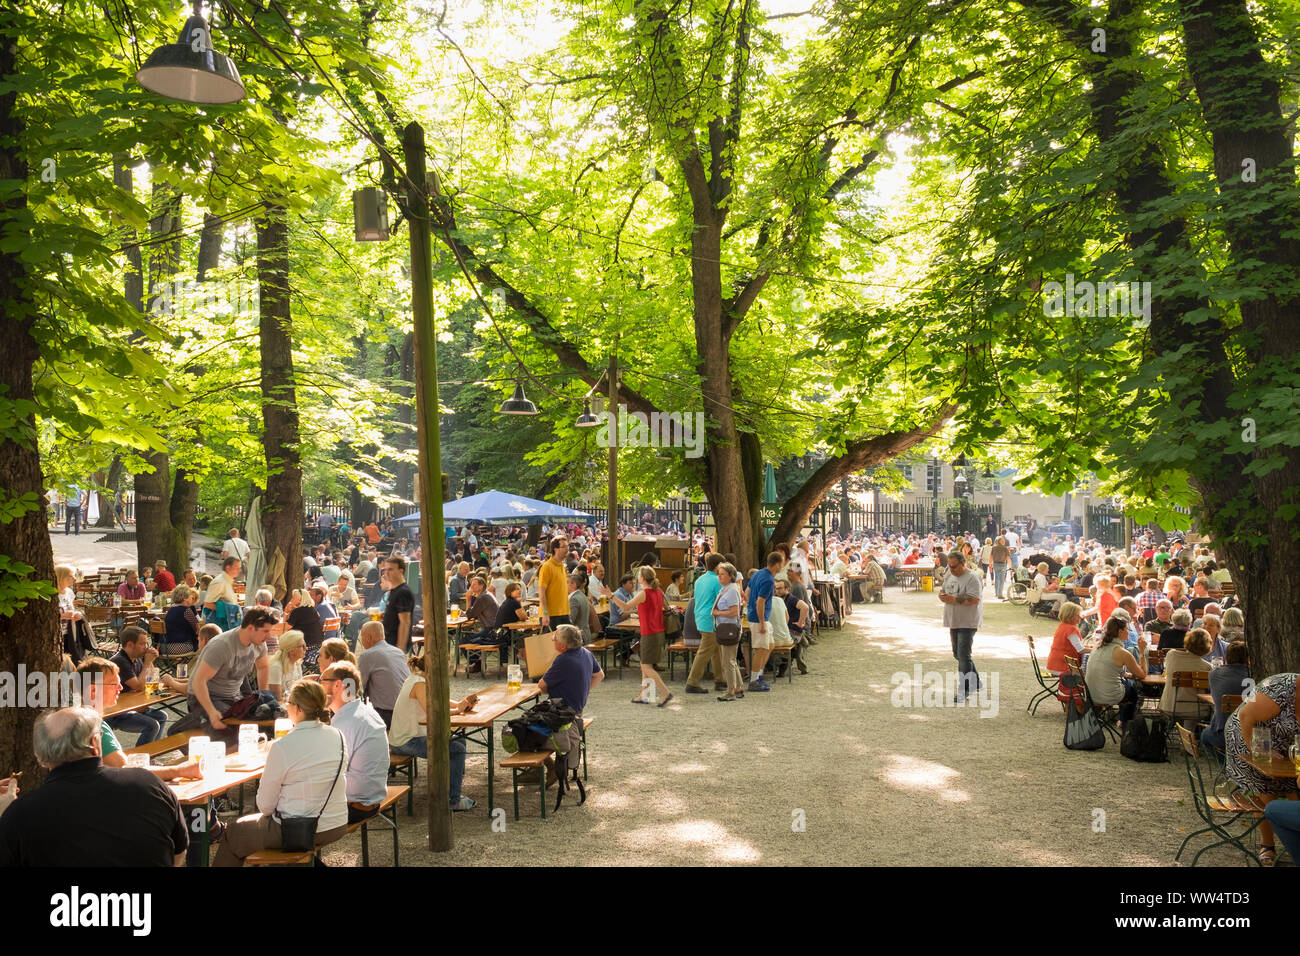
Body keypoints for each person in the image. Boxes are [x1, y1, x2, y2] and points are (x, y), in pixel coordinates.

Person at [0, 707, 188, 866]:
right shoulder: (150, 784)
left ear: (40, 757)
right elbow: (179, 853)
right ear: (94, 744)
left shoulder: (20, 814)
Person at [213, 682, 348, 866]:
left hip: (300, 829)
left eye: (289, 702)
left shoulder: (282, 746)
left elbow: (265, 807)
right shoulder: (338, 735)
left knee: (235, 831)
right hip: (336, 823)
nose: (286, 706)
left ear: (298, 709)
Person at [1225, 672, 1300, 865]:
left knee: (1293, 784)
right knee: (1266, 785)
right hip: (1247, 735)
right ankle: (1267, 845)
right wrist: (1259, 750)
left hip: (1286, 744)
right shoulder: (1281, 691)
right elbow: (1245, 716)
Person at [387, 655, 477, 812]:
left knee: (459, 742)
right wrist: (457, 711)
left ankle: (447, 790)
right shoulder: (420, 684)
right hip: (405, 742)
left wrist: (462, 704)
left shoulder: (419, 678)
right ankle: (452, 800)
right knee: (457, 749)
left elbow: (440, 700)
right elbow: (433, 712)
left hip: (408, 737)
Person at [187, 607, 279, 733]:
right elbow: (198, 681)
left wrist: (263, 696)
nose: (269, 636)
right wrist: (211, 711)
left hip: (233, 697)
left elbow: (263, 667)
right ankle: (185, 727)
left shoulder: (259, 643)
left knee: (267, 720)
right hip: (205, 697)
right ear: (251, 628)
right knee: (233, 729)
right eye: (265, 631)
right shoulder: (222, 646)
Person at [320, 661, 390, 824]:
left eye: (322, 681)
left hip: (356, 805)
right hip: (371, 796)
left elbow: (331, 771)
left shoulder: (346, 722)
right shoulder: (362, 711)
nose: (318, 687)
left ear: (338, 685)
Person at [613, 565, 672, 707]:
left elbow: (625, 607)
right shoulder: (657, 591)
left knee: (647, 667)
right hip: (657, 631)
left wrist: (611, 596)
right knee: (644, 664)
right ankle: (646, 695)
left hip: (649, 633)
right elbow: (666, 607)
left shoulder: (644, 592)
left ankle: (665, 693)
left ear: (642, 578)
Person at [1083, 616, 1149, 728]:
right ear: (1120, 632)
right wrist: (1142, 652)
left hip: (1090, 695)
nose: (1130, 632)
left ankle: (1122, 719)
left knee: (1127, 684)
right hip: (1109, 695)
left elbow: (1110, 669)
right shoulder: (1122, 652)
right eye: (1128, 629)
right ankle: (1126, 722)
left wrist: (1126, 675)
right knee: (1133, 687)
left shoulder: (1097, 646)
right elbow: (1142, 674)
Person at [105, 626, 167, 744]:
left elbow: (152, 679)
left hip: (132, 706)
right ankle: (142, 757)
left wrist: (151, 661)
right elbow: (138, 686)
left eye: (146, 643)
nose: (146, 647)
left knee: (161, 716)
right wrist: (147, 662)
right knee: (152, 725)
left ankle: (150, 753)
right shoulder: (119, 661)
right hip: (116, 712)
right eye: (142, 644)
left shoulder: (136, 658)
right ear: (130, 645)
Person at [939, 550, 984, 701]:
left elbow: (974, 599)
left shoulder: (972, 578)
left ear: (963, 563)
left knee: (963, 655)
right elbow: (943, 589)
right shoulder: (950, 575)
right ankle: (976, 681)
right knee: (958, 654)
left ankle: (965, 689)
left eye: (954, 566)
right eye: (949, 566)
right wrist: (942, 596)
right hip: (953, 620)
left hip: (968, 621)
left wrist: (954, 599)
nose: (951, 570)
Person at [1200, 640, 1251, 759]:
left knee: (1205, 736)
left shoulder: (1214, 674)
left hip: (1223, 732)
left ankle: (1227, 763)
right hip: (1250, 733)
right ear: (1248, 658)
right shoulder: (1252, 676)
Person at [744, 551, 785, 692]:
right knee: (760, 649)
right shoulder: (768, 580)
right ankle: (754, 680)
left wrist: (749, 607)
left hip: (755, 615)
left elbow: (747, 592)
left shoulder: (758, 573)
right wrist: (761, 622)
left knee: (770, 645)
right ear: (778, 564)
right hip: (759, 618)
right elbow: (760, 602)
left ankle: (758, 674)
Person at [685, 553, 726, 694]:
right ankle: (692, 682)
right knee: (705, 651)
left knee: (716, 650)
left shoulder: (699, 580)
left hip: (701, 617)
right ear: (718, 566)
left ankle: (720, 680)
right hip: (711, 620)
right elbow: (722, 601)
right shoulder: (717, 581)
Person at [357, 620, 409, 728]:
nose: (361, 640)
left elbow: (359, 687)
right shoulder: (398, 651)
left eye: (362, 636)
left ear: (369, 637)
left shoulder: (367, 655)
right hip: (408, 708)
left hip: (388, 713)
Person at [712, 563, 746, 702]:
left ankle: (731, 690)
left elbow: (734, 612)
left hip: (729, 629)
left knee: (728, 661)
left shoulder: (731, 590)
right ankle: (737, 687)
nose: (719, 576)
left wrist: (717, 612)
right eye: (719, 574)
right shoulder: (728, 588)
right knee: (731, 660)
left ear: (730, 576)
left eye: (722, 574)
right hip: (727, 628)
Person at [55, 565, 95, 664]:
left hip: (72, 634)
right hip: (57, 636)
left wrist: (78, 614)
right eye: (70, 576)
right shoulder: (52, 593)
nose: (74, 579)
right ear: (61, 576)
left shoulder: (69, 592)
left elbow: (72, 609)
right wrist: (61, 617)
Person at [382, 554, 415, 650]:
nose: (386, 573)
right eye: (385, 569)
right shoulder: (394, 590)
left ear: (401, 571)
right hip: (388, 643)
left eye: (391, 569)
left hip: (395, 645)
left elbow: (405, 622)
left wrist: (400, 649)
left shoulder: (403, 592)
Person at [537, 537, 571, 630]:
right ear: (556, 549)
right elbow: (541, 591)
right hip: (551, 615)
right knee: (551, 644)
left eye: (568, 546)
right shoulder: (547, 566)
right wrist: (545, 613)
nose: (567, 549)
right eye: (564, 546)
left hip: (564, 613)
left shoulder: (563, 566)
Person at [1045, 602, 1085, 677]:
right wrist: (1096, 649)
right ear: (1070, 616)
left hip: (1053, 664)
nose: (1080, 617)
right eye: (1078, 615)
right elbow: (1080, 650)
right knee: (1090, 673)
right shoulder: (1071, 629)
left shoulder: (1062, 626)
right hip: (1062, 667)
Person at [267, 629, 306, 700]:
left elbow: (300, 691)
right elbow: (277, 699)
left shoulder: (297, 664)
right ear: (291, 650)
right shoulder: (276, 667)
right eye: (302, 646)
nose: (306, 648)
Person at [162, 583, 202, 651]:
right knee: (204, 645)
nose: (192, 598)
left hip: (164, 647)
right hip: (179, 647)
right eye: (190, 596)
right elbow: (197, 629)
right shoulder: (185, 610)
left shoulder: (171, 608)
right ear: (185, 598)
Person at [568, 571, 592, 645]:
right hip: (585, 635)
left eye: (566, 582)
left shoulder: (574, 599)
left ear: (574, 585)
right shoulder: (582, 595)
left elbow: (570, 621)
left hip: (578, 638)